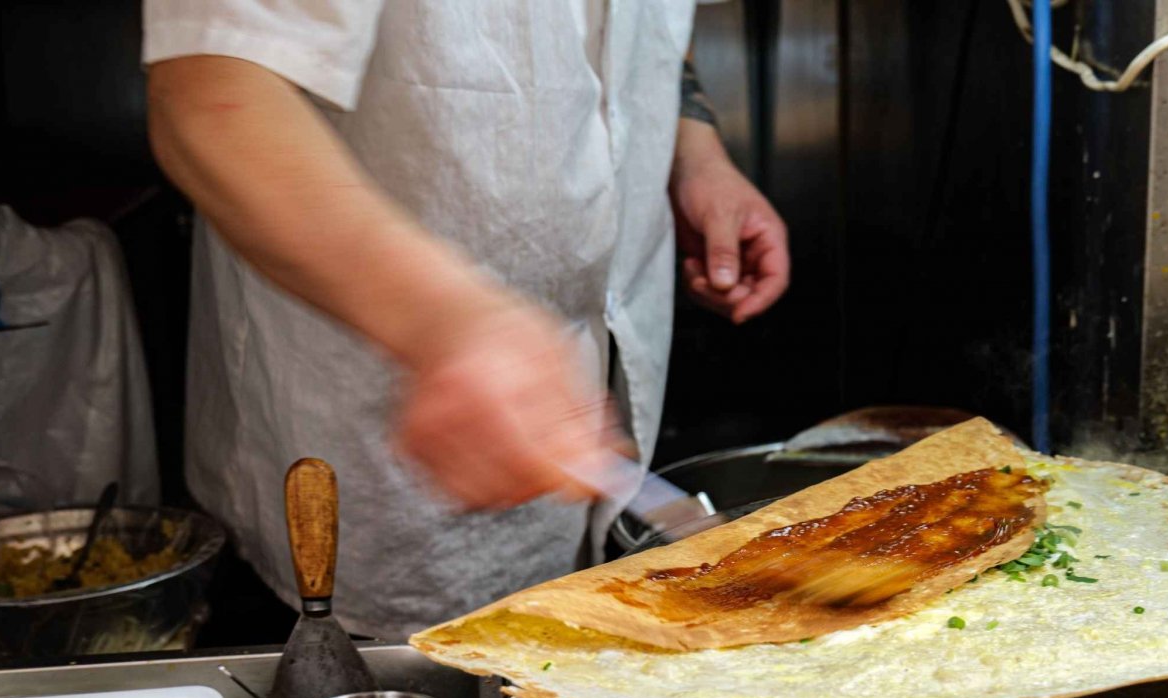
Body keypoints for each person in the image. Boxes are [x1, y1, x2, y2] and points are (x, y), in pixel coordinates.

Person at [142, 1, 789, 638]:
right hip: (366, 447)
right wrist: (443, 322)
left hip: (587, 400)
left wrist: (696, 154)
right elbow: (208, 91)